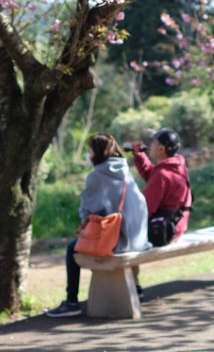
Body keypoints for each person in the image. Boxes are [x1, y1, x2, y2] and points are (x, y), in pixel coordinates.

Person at [46, 134, 150, 318]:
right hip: (140, 240)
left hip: (121, 243)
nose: (89, 153)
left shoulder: (97, 175)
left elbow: (88, 213)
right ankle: (137, 288)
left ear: (98, 152)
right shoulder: (125, 169)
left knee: (72, 249)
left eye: (90, 150)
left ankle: (71, 302)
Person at [132, 128, 192, 241]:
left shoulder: (162, 175)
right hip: (177, 228)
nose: (150, 145)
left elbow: (144, 209)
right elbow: (153, 177)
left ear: (161, 148)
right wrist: (140, 156)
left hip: (163, 233)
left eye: (153, 142)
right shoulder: (178, 167)